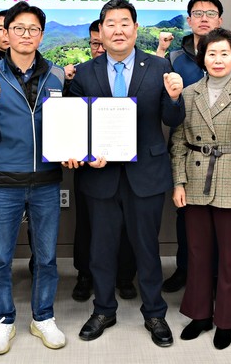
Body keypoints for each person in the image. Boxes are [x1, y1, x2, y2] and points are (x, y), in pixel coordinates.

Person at [67, 0, 185, 347]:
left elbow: (172, 120)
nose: (117, 30)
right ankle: (104, 309)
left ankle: (155, 313)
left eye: (124, 23)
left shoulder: (159, 65)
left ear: (135, 28)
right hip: (99, 175)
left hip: (145, 173)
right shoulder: (85, 72)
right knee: (101, 250)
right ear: (100, 31)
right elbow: (76, 124)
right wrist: (85, 153)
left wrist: (174, 98)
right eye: (110, 24)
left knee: (147, 249)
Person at [0, 1, 67, 355]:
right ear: (6, 33)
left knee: (47, 257)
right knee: (0, 258)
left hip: (47, 181)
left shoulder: (57, 75)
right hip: (3, 182)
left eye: (33, 29)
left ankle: (43, 316)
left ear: (42, 35)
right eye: (18, 28)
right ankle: (4, 318)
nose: (26, 35)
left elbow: (68, 126)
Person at [170, 28, 231, 350]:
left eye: (224, 53)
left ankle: (226, 320)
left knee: (229, 257)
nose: (217, 59)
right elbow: (178, 142)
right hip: (195, 178)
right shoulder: (189, 93)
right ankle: (199, 315)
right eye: (211, 53)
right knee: (198, 253)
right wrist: (178, 182)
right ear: (203, 58)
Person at [162, 0, 231, 293]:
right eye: (197, 13)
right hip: (190, 150)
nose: (204, 18)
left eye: (210, 13)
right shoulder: (175, 57)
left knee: (224, 226)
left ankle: (216, 281)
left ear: (219, 20)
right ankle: (185, 270)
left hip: (228, 156)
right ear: (189, 20)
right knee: (188, 219)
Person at [71, 19, 138, 303]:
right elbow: (73, 120)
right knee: (88, 226)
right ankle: (85, 275)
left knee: (128, 227)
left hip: (133, 166)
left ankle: (125, 276)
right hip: (92, 167)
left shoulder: (143, 69)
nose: (100, 48)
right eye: (95, 44)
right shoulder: (82, 73)